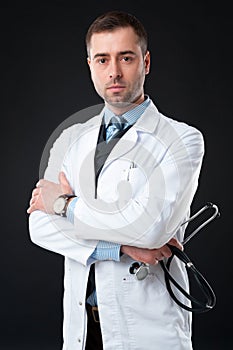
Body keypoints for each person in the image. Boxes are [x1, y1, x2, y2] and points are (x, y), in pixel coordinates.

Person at [27, 10, 204, 350]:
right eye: (102, 59)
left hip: (147, 329)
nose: (114, 72)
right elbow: (39, 226)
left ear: (146, 62)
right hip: (82, 329)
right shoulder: (70, 138)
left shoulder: (182, 139)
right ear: (90, 64)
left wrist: (63, 204)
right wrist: (122, 246)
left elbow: (151, 228)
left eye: (126, 57)